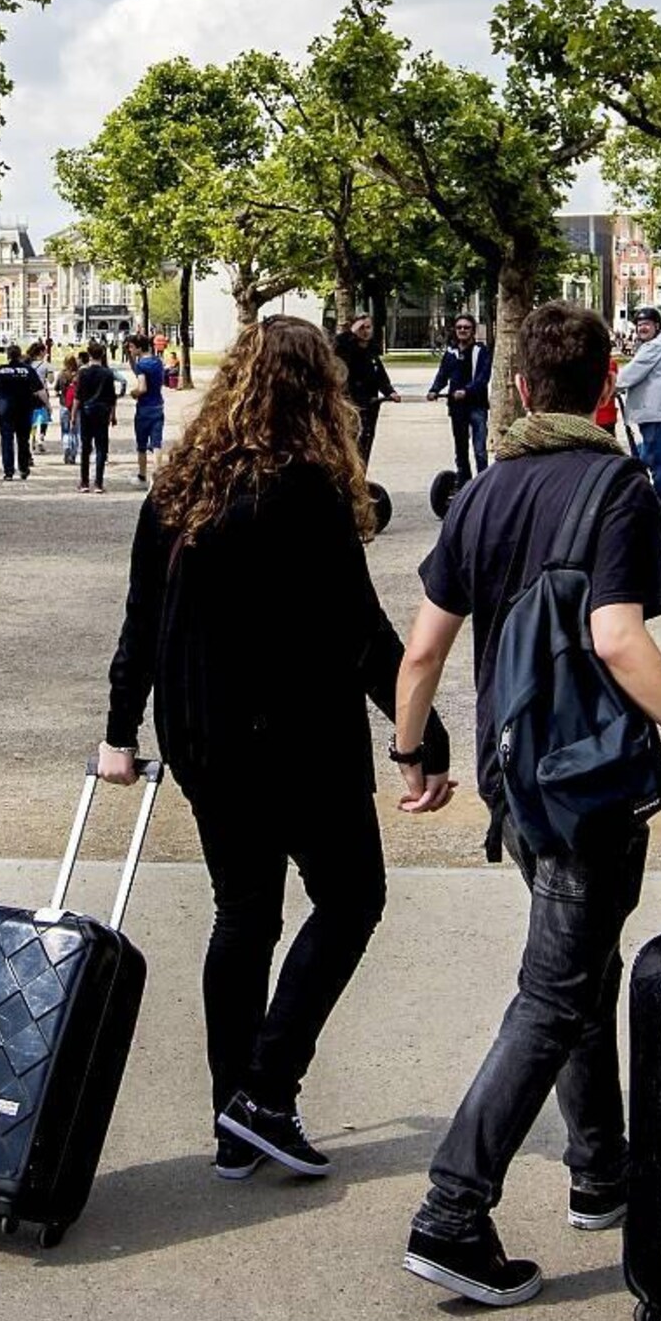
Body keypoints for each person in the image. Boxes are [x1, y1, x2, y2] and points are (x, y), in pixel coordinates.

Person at [389, 301, 661, 1308]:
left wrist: (410, 750)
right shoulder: (613, 485)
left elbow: (420, 647)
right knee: (554, 992)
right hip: (589, 781)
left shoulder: (479, 491)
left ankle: (599, 1169)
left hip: (514, 777)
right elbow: (614, 637)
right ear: (605, 384)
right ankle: (451, 1207)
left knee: (581, 966)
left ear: (518, 389)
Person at [97, 315, 451, 1180]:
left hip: (204, 735)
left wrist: (120, 730)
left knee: (244, 911)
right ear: (318, 393)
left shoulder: (178, 487)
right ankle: (266, 1086)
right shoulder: (306, 491)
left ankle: (235, 1119)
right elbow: (359, 633)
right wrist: (419, 739)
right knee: (350, 897)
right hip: (293, 735)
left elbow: (141, 623)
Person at [612, 308, 661, 525]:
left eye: (647, 323)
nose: (642, 328)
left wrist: (606, 387)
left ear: (657, 326)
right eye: (639, 324)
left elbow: (627, 376)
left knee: (659, 467)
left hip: (658, 415)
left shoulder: (654, 348)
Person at [426, 314, 492, 486]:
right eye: (459, 327)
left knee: (480, 451)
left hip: (477, 406)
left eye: (466, 327)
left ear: (473, 330)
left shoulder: (481, 351)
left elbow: (483, 378)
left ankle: (483, 485)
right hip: (457, 408)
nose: (462, 330)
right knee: (461, 450)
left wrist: (467, 391)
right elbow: (442, 374)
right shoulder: (450, 353)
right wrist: (434, 390)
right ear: (455, 330)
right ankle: (465, 485)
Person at [333, 313, 398, 464]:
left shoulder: (371, 351)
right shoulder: (343, 348)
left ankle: (361, 476)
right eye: (361, 328)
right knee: (350, 442)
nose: (365, 331)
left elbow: (379, 375)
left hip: (370, 404)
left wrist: (390, 392)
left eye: (368, 327)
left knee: (366, 442)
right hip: (350, 403)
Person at [0, 343, 42, 481]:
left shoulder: (1, 370)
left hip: (6, 408)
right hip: (24, 408)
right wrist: (46, 404)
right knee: (23, 440)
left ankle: (8, 471)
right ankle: (23, 468)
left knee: (7, 440)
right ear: (20, 355)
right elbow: (38, 389)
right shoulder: (27, 370)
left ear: (8, 355)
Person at [74, 339, 117, 494]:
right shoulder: (107, 373)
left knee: (85, 447)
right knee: (101, 448)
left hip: (86, 411)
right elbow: (112, 397)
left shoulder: (83, 372)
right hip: (102, 411)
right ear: (103, 354)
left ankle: (84, 481)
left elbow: (78, 396)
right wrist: (113, 415)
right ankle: (98, 483)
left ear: (89, 355)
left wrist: (73, 415)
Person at [130, 332, 169, 485]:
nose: (131, 350)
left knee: (141, 444)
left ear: (139, 348)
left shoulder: (141, 365)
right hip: (158, 405)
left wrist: (134, 393)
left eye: (132, 347)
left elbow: (142, 387)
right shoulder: (158, 361)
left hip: (144, 407)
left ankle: (141, 475)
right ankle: (157, 476)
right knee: (156, 443)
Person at [56, 352, 82, 465]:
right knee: (75, 431)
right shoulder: (78, 375)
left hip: (64, 405)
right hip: (77, 406)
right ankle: (73, 454)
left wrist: (61, 393)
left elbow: (56, 388)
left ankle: (66, 447)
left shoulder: (62, 374)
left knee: (65, 430)